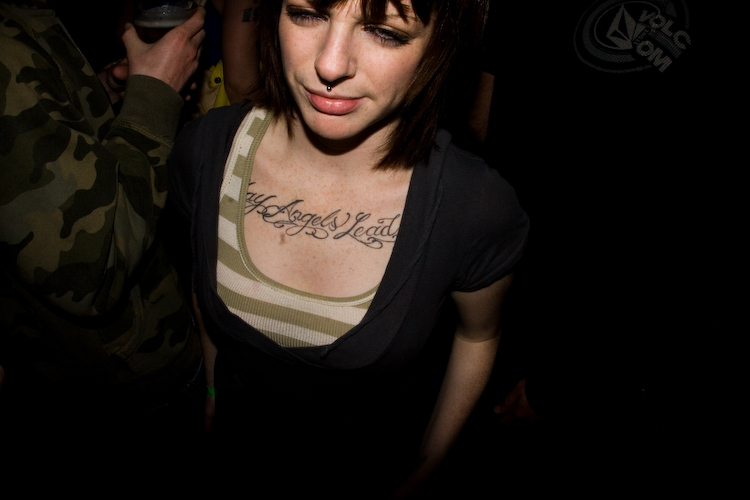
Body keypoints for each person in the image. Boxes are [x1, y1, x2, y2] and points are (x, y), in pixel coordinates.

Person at [168, 0, 528, 496]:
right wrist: (212, 391)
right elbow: (202, 291)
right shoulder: (206, 151)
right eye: (306, 13)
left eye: (385, 32)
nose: (330, 64)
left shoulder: (475, 207)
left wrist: (431, 462)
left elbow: (478, 336)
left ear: (439, 46)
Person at [0, 0, 206, 468]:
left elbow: (32, 148)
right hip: (126, 383)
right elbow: (93, 265)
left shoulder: (21, 18)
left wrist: (98, 96)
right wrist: (153, 98)